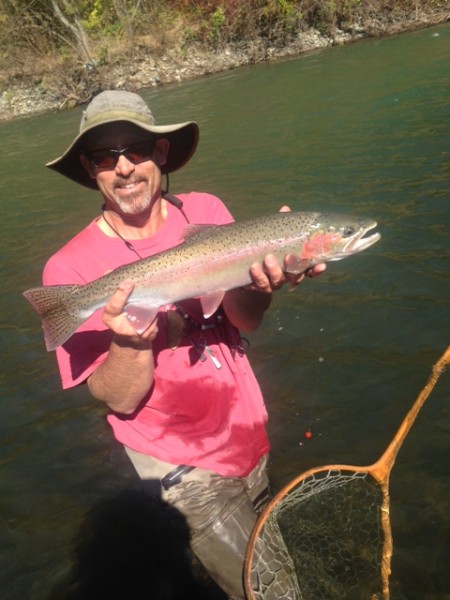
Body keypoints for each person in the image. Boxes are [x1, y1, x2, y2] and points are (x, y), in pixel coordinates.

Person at [42, 90, 325, 599]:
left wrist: (259, 285)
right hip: (182, 466)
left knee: (259, 565)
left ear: (162, 154)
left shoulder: (205, 212)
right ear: (90, 170)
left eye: (137, 150)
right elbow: (119, 398)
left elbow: (245, 322)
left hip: (246, 435)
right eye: (105, 157)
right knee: (274, 590)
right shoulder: (69, 272)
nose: (124, 168)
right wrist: (130, 342)